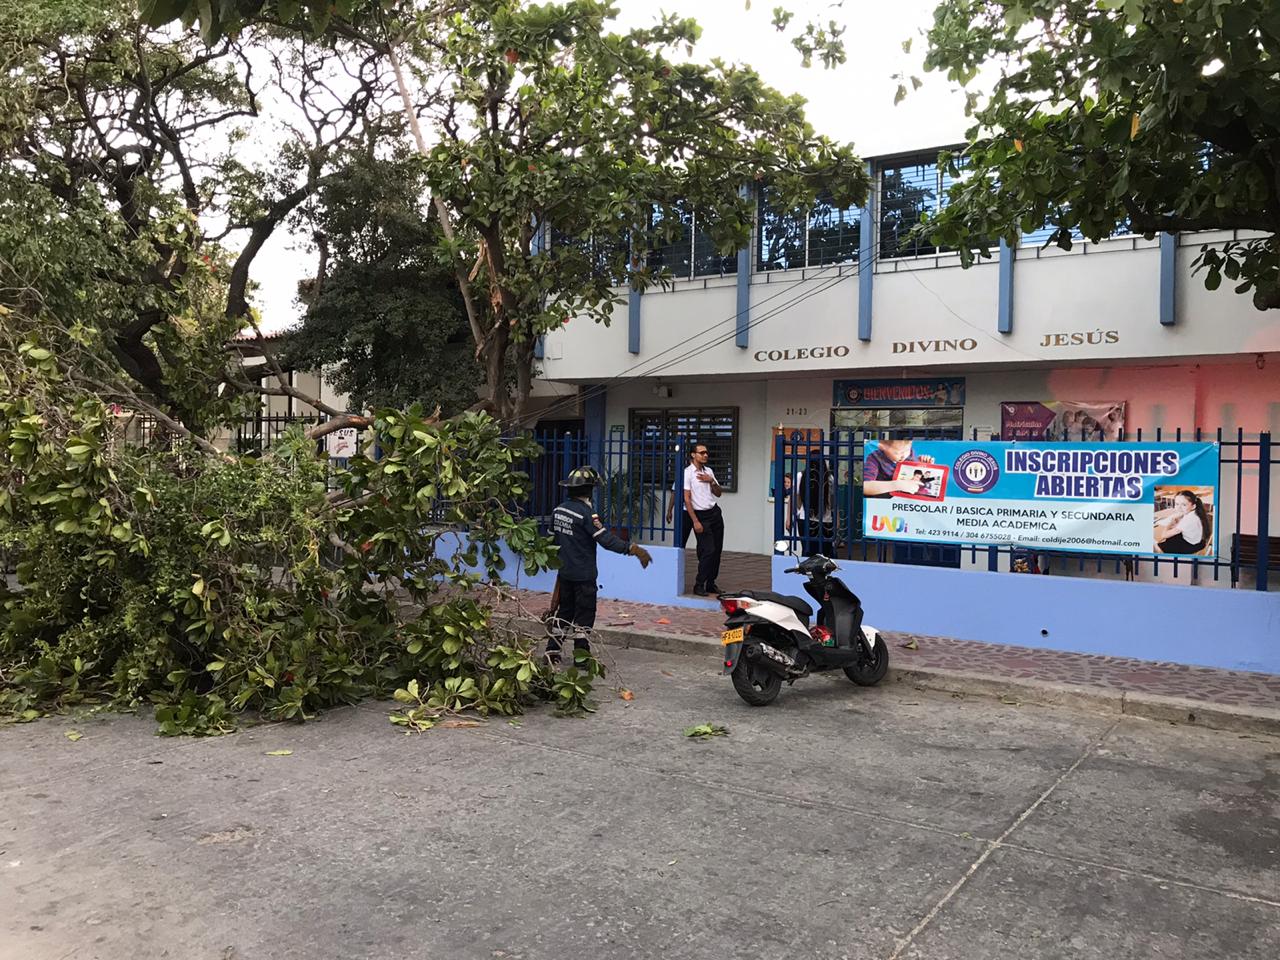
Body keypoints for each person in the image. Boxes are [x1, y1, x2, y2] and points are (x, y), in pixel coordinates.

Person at [545, 466, 652, 665]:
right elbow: (606, 540)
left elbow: (551, 541)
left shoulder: (558, 510)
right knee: (584, 617)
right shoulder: (587, 514)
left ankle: (551, 652)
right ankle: (581, 658)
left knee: (564, 613)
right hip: (584, 576)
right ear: (588, 490)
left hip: (565, 574)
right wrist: (633, 550)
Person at [682, 443, 724, 595]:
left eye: (707, 453)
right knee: (708, 550)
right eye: (702, 453)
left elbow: (719, 493)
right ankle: (699, 584)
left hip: (714, 512)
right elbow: (687, 499)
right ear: (693, 455)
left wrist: (711, 481)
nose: (705, 455)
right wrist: (695, 521)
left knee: (717, 550)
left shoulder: (709, 471)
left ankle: (711, 583)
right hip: (700, 515)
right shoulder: (688, 473)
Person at [862, 438, 933, 498]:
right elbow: (865, 486)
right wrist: (897, 485)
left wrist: (925, 466)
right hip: (883, 502)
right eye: (898, 453)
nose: (904, 456)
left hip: (905, 503)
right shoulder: (875, 458)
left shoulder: (911, 455)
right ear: (882, 447)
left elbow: (919, 483)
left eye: (907, 451)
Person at [795, 451, 835, 556]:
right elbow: (832, 502)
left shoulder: (801, 475)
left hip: (807, 519)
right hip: (825, 520)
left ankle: (810, 572)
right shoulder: (829, 478)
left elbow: (797, 499)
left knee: (808, 552)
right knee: (824, 553)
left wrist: (801, 509)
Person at [1154, 490, 1209, 555]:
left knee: (1158, 545)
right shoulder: (1194, 513)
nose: (1179, 508)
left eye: (1184, 505)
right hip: (1196, 540)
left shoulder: (1189, 519)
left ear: (1193, 506)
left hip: (1192, 545)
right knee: (1169, 538)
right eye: (1177, 504)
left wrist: (1170, 521)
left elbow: (1163, 535)